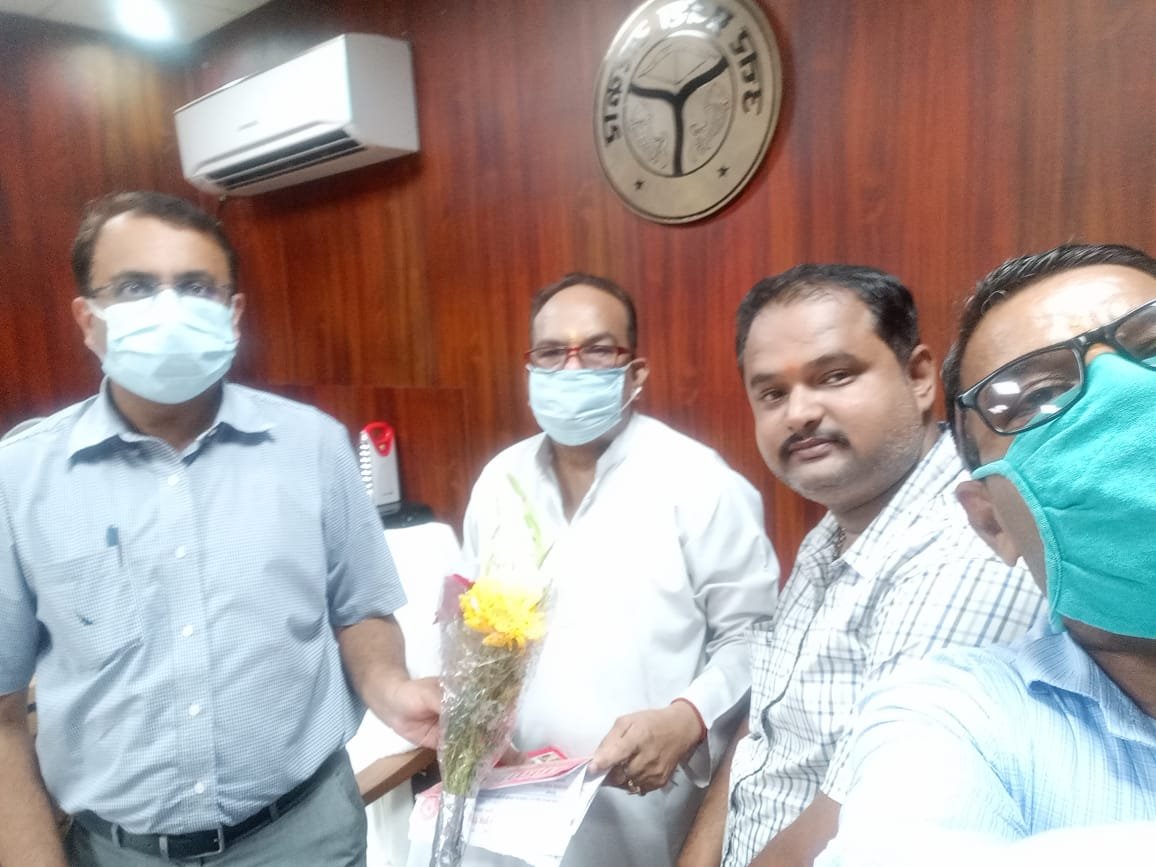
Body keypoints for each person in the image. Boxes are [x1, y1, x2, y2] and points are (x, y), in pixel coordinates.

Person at [0, 191, 440, 867]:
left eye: (195, 287)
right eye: (135, 287)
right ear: (87, 319)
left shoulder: (314, 447)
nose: (168, 308)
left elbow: (360, 611)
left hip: (306, 837)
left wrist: (392, 690)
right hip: (119, 852)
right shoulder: (20, 479)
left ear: (232, 314)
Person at [679, 264, 1043, 867]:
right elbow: (762, 736)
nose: (798, 413)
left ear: (919, 377)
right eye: (772, 393)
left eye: (835, 375)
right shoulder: (836, 527)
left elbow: (858, 819)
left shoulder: (961, 546)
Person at [814, 243, 1156, 867]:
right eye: (1036, 394)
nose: (1122, 389)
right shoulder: (958, 713)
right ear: (991, 522)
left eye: (1153, 345)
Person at [439, 273, 779, 867]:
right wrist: (472, 722)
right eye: (551, 353)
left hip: (638, 810)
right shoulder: (500, 481)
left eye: (597, 350)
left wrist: (688, 719)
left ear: (635, 372)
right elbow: (473, 623)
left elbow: (757, 640)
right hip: (511, 805)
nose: (571, 370)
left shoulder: (699, 483)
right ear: (530, 371)